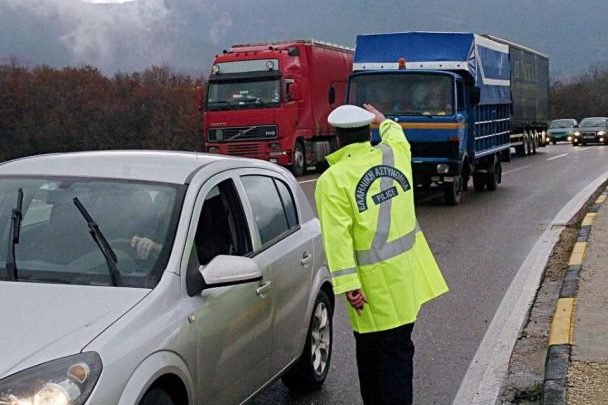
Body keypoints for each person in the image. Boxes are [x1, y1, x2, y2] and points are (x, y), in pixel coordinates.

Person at [315, 104, 449, 404]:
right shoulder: (394, 155)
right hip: (406, 282)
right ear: (368, 132)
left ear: (338, 138)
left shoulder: (333, 180)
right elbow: (398, 136)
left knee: (374, 362)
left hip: (371, 290)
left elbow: (338, 239)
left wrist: (349, 286)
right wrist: (383, 120)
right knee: (397, 354)